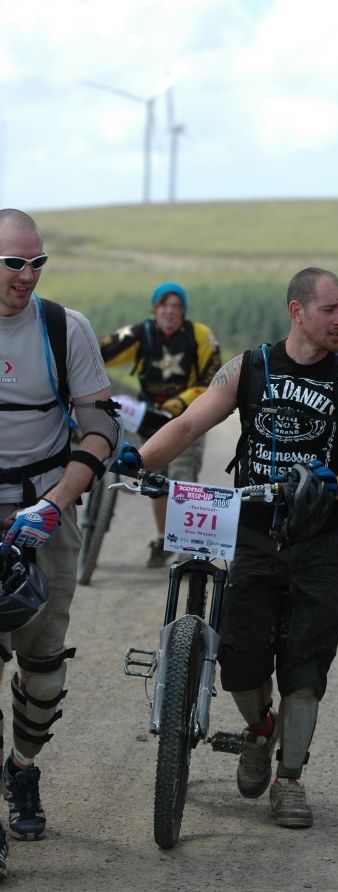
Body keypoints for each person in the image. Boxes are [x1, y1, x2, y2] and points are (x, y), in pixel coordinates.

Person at [113, 267, 338, 828]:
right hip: (252, 531)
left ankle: (289, 781)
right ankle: (259, 731)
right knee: (239, 662)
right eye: (329, 309)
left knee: (306, 667)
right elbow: (190, 424)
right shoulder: (250, 368)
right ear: (297, 311)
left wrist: (328, 486)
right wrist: (137, 461)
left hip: (318, 539)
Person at [0, 208, 122, 879]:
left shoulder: (62, 328)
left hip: (46, 511)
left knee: (42, 667)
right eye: (14, 262)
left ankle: (22, 767)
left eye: (36, 262)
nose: (27, 275)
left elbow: (99, 425)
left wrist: (56, 502)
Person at [99, 281, 221, 567]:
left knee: (182, 477)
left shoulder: (200, 336)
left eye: (176, 305)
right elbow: (98, 352)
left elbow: (213, 381)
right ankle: (164, 539)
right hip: (149, 418)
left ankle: (189, 550)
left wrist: (181, 402)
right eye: (164, 304)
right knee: (155, 479)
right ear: (154, 308)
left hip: (188, 417)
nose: (169, 310)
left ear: (183, 310)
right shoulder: (142, 334)